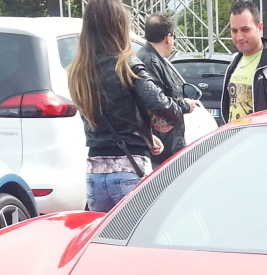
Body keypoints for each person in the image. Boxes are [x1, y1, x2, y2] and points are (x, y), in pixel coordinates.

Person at [68, 0, 185, 212]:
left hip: (94, 173)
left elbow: (101, 118)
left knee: (103, 243)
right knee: (140, 242)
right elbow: (167, 109)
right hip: (129, 171)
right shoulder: (126, 65)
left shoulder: (78, 71)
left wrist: (146, 134)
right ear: (119, 26)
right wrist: (171, 114)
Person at [134, 13, 202, 168]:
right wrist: (185, 105)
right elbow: (157, 102)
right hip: (161, 150)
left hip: (161, 146)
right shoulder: (151, 62)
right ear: (168, 37)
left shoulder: (150, 58)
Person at [220, 0, 267, 123]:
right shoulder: (234, 64)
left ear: (259, 27)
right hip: (236, 140)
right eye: (234, 31)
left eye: (245, 30)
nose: (239, 37)